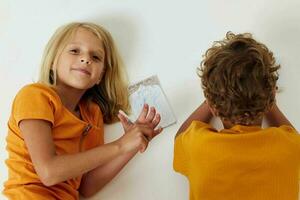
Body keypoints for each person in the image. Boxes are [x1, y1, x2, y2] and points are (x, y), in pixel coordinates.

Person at [3, 22, 163, 199]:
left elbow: (87, 187)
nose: (85, 59)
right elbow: (49, 172)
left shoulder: (93, 114)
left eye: (95, 57)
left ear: (100, 75)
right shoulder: (34, 96)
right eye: (74, 51)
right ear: (53, 61)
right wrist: (121, 144)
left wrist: (132, 144)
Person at [173, 32, 299, 200]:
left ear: (213, 107)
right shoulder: (290, 148)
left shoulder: (198, 147)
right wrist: (268, 100)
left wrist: (210, 101)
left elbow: (179, 137)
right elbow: (293, 135)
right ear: (271, 97)